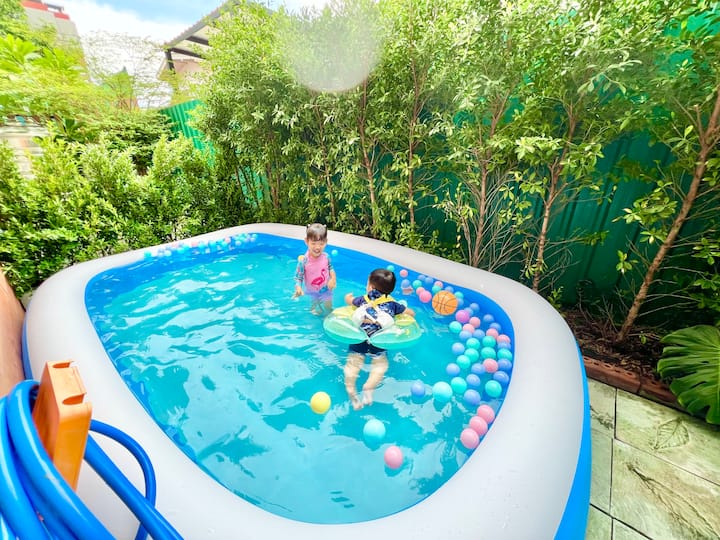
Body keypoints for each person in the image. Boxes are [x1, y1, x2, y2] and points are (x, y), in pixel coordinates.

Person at [343, 268, 415, 410]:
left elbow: (349, 301)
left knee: (353, 362)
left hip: (360, 338)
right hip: (379, 340)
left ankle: (351, 389)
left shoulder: (363, 299)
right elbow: (411, 313)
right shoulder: (393, 304)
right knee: (380, 364)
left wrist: (348, 297)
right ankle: (369, 387)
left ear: (370, 287)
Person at [293, 223, 336, 315]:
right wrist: (298, 288)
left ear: (326, 242)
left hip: (326, 289)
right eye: (313, 243)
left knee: (328, 307)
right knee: (315, 310)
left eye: (321, 243)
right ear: (306, 241)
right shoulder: (303, 261)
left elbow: (331, 268)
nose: (317, 247)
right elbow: (298, 277)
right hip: (312, 291)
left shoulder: (326, 257)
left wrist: (333, 279)